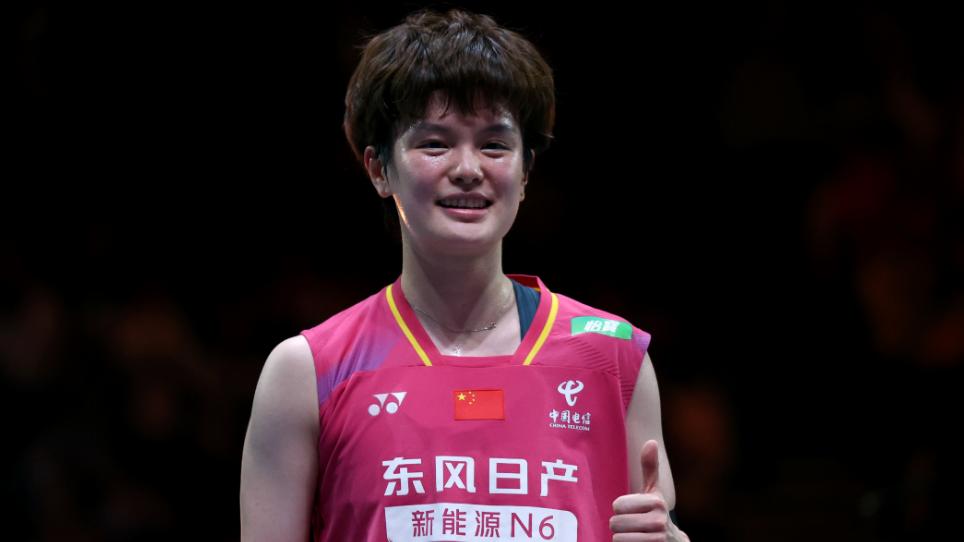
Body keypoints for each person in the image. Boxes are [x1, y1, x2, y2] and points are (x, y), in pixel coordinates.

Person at [240, 8, 690, 542]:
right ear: (379, 169)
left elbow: (657, 525)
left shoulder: (614, 359)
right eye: (435, 143)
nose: (469, 169)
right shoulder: (307, 372)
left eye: (494, 145)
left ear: (525, 172)